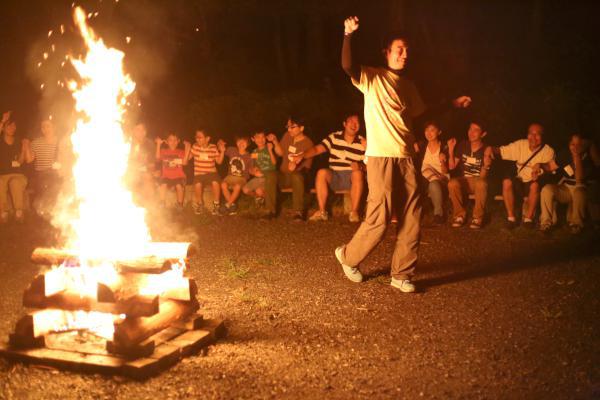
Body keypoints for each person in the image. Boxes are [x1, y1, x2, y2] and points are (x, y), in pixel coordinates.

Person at [334, 16, 472, 293]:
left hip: (406, 156)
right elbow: (347, 65)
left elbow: (423, 114)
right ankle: (348, 256)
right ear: (386, 52)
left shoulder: (408, 86)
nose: (404, 54)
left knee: (412, 216)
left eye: (407, 49)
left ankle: (402, 274)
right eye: (399, 49)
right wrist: (348, 35)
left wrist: (451, 104)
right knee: (380, 217)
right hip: (380, 156)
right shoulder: (371, 77)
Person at [293, 112, 366, 222]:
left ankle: (354, 212)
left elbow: (372, 165)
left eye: (357, 122)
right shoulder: (334, 137)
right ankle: (322, 212)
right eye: (351, 121)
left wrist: (360, 166)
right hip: (335, 175)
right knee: (322, 172)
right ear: (344, 124)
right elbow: (317, 149)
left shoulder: (363, 142)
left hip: (352, 178)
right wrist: (302, 155)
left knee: (357, 173)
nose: (354, 124)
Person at [493, 123, 555, 229]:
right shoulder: (521, 145)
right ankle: (511, 218)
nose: (533, 137)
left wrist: (541, 168)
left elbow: (552, 168)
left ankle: (528, 219)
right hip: (520, 182)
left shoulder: (548, 151)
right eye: (531, 134)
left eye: (537, 134)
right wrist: (490, 149)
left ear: (543, 136)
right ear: (527, 135)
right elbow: (501, 150)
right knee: (506, 182)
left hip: (534, 184)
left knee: (535, 185)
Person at [539, 133, 600, 234]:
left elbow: (579, 178)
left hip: (582, 188)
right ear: (569, 144)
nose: (575, 147)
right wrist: (539, 166)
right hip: (567, 188)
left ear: (583, 145)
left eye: (578, 144)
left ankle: (577, 225)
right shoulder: (565, 153)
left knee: (579, 192)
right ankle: (545, 223)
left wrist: (576, 156)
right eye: (572, 144)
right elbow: (550, 166)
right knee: (547, 189)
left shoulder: (588, 156)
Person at [446, 121, 492, 229]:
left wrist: (486, 166)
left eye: (476, 130)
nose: (471, 133)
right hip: (464, 180)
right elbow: (452, 166)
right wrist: (451, 150)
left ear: (483, 134)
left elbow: (483, 177)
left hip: (477, 180)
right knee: (452, 183)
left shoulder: (486, 149)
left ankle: (477, 217)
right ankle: (459, 215)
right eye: (470, 129)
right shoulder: (463, 145)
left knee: (481, 184)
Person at [267, 116, 314, 221]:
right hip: (284, 175)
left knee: (296, 176)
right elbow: (280, 153)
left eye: (292, 127)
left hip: (298, 178)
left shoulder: (308, 143)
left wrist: (296, 166)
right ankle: (270, 211)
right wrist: (275, 141)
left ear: (301, 128)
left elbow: (307, 168)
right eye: (288, 126)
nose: (289, 129)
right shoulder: (287, 136)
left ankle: (298, 212)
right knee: (271, 174)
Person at [414, 121, 450, 226]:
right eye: (427, 130)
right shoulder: (421, 146)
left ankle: (437, 214)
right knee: (426, 177)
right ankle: (435, 214)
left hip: (441, 179)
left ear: (439, 132)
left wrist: (443, 161)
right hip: (425, 179)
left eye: (432, 130)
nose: (429, 133)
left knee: (433, 182)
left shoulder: (444, 147)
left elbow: (445, 172)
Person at [24, 119, 62, 214]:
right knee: (45, 183)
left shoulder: (60, 142)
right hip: (41, 174)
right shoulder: (36, 143)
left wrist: (61, 164)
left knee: (56, 184)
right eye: (43, 127)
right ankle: (46, 212)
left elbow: (67, 158)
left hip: (56, 173)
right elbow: (29, 159)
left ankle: (55, 212)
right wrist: (26, 146)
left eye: (48, 126)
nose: (45, 129)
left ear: (54, 127)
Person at [187, 129, 225, 216]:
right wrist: (187, 149)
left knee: (216, 183)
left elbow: (219, 162)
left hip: (212, 173)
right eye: (196, 137)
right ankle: (200, 204)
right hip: (199, 174)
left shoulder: (213, 147)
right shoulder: (195, 147)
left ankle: (216, 205)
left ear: (207, 138)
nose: (197, 139)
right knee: (197, 184)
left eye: (200, 137)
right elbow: (188, 158)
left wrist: (222, 151)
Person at [0, 112, 29, 223]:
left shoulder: (18, 141)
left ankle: (18, 212)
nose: (13, 128)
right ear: (3, 128)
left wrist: (23, 149)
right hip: (2, 175)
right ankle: (3, 212)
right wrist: (2, 121)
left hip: (18, 174)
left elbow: (20, 161)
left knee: (15, 182)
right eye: (10, 125)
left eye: (14, 126)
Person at [243, 130, 278, 217]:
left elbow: (274, 163)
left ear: (265, 138)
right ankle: (259, 198)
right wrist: (254, 171)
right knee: (245, 189)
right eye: (257, 137)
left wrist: (270, 150)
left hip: (269, 176)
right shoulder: (254, 152)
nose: (260, 139)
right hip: (259, 177)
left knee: (259, 190)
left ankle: (268, 203)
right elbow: (252, 166)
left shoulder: (269, 147)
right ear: (253, 139)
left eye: (263, 137)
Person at [155, 133, 190, 210]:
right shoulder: (164, 151)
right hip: (166, 176)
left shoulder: (180, 152)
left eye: (175, 140)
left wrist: (188, 148)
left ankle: (180, 203)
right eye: (170, 140)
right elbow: (157, 158)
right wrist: (158, 145)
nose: (173, 142)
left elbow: (185, 162)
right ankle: (162, 202)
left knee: (179, 186)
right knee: (163, 185)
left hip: (179, 176)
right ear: (167, 142)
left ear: (178, 141)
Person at [221, 136, 253, 215]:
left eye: (244, 142)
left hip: (241, 178)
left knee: (238, 186)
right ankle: (232, 206)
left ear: (248, 144)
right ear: (236, 142)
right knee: (223, 184)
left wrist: (253, 171)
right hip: (229, 177)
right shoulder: (232, 150)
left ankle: (227, 205)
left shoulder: (250, 156)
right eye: (239, 141)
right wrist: (220, 144)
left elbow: (251, 169)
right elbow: (222, 149)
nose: (241, 143)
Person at [128, 123, 156, 204]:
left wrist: (148, 170)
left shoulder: (149, 144)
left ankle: (150, 207)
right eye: (138, 129)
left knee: (148, 178)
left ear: (145, 132)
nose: (140, 132)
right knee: (130, 178)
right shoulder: (127, 143)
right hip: (130, 172)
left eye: (142, 130)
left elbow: (152, 164)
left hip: (144, 171)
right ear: (133, 131)